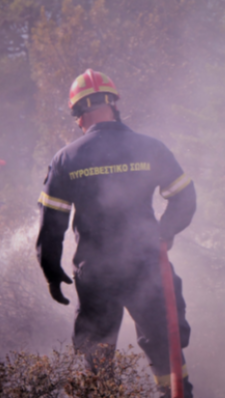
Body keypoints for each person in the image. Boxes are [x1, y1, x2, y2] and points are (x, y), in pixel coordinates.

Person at [36, 69, 196, 398]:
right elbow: (185, 198)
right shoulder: (150, 148)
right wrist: (163, 233)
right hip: (148, 265)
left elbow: (52, 224)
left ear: (78, 113)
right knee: (169, 360)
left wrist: (51, 269)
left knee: (98, 366)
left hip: (96, 274)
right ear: (115, 105)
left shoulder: (67, 159)